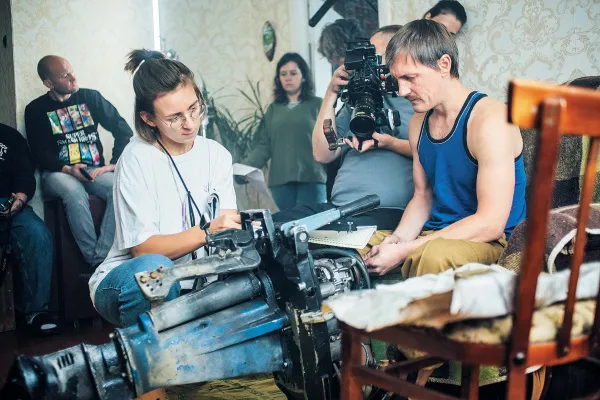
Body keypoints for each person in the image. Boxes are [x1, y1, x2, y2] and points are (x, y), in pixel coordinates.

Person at [363, 20, 526, 279]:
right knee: (357, 248)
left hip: (489, 241)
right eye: (397, 80)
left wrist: (406, 250)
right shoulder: (418, 123)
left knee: (432, 256)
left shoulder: (492, 120)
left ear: (444, 65)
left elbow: (491, 223)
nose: (402, 91)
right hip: (435, 234)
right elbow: (423, 196)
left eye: (410, 78)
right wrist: (397, 240)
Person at [89, 49, 240, 328]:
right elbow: (144, 250)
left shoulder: (217, 154)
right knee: (156, 271)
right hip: (129, 279)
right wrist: (208, 231)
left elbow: (227, 223)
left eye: (194, 108)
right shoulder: (136, 159)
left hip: (197, 281)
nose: (190, 124)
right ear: (149, 119)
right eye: (174, 117)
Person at [274, 26, 414, 236]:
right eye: (365, 55)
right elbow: (322, 153)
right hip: (338, 208)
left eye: (375, 56)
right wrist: (331, 93)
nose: (368, 62)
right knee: (270, 228)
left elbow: (431, 151)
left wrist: (390, 143)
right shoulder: (354, 102)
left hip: (385, 209)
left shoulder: (416, 101)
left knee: (306, 236)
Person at [25, 56, 133, 268]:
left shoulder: (90, 97)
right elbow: (39, 153)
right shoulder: (36, 109)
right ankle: (93, 260)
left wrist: (114, 163)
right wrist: (67, 168)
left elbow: (123, 130)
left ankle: (102, 258)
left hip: (92, 169)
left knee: (119, 188)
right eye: (65, 76)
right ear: (48, 83)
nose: (74, 78)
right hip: (57, 172)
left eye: (72, 71)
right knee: (74, 193)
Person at [241, 53, 326, 211]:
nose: (288, 78)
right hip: (281, 183)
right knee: (288, 224)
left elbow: (331, 141)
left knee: (313, 223)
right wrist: (244, 168)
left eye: (293, 73)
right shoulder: (273, 110)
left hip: (313, 179)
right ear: (278, 78)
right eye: (283, 74)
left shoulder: (318, 105)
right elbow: (263, 146)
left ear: (304, 77)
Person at [0, 123, 59, 335]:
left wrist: (20, 198)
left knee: (37, 234)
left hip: (8, 203)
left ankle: (36, 312)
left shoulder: (10, 137)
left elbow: (25, 176)